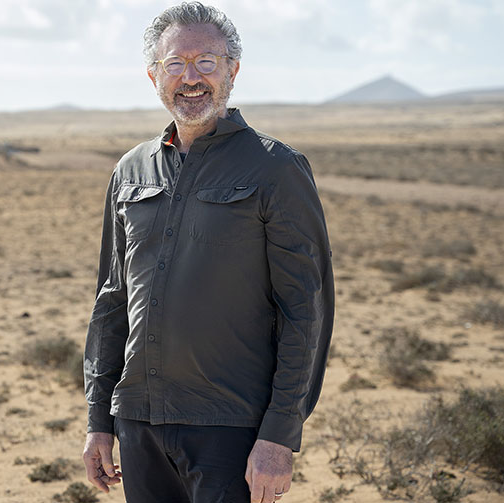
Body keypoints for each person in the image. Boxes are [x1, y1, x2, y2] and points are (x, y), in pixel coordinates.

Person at [81, 2, 334, 502]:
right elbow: (111, 302)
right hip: (138, 422)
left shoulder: (276, 169)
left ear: (232, 71)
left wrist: (280, 435)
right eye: (175, 63)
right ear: (154, 75)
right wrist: (99, 421)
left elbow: (305, 311)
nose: (191, 78)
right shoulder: (130, 171)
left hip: (231, 429)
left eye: (206, 62)